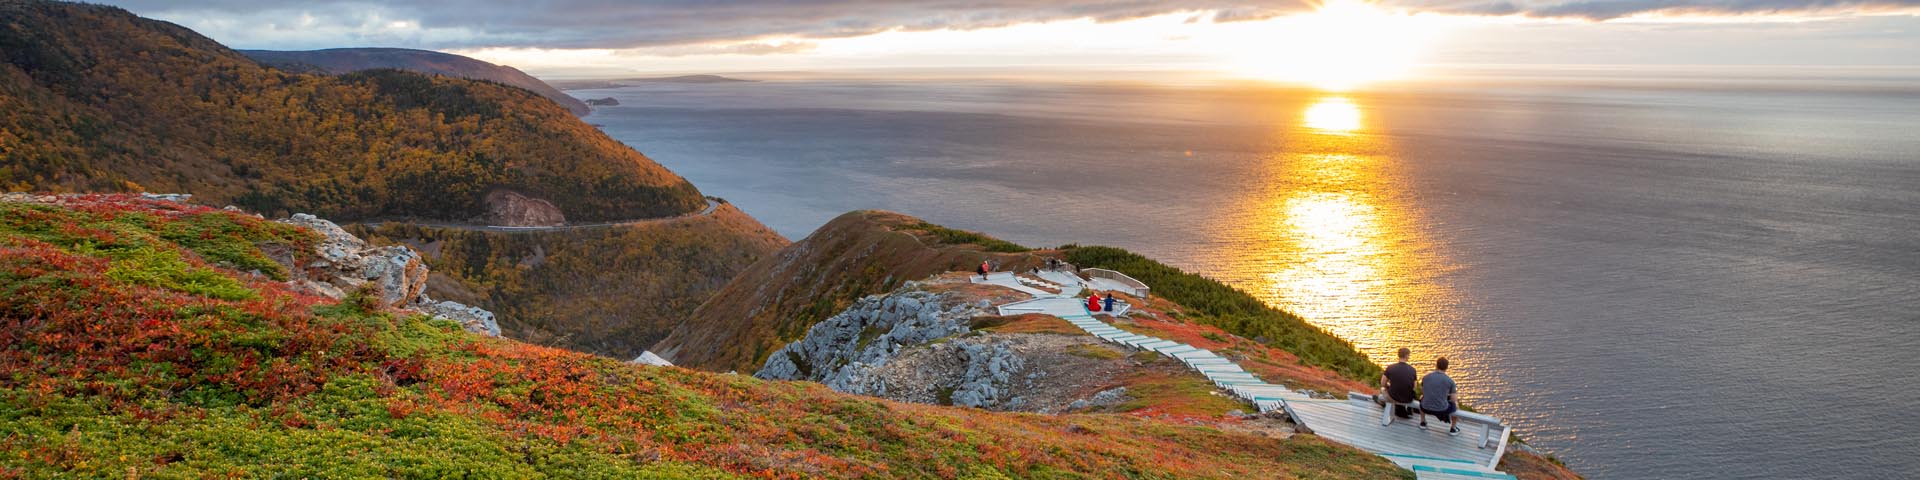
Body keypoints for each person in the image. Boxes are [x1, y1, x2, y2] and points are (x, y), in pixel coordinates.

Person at [1419, 356, 1461, 436]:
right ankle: (1453, 428)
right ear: (1446, 368)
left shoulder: (1426, 377)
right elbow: (1453, 399)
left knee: (1421, 398)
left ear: (1436, 365)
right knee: (1456, 404)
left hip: (1425, 407)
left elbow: (1423, 391)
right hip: (1442, 409)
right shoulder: (1450, 381)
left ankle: (1423, 422)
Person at [1377, 347, 1417, 419]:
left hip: (1393, 397)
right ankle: (1402, 409)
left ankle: (1384, 404)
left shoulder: (1390, 367)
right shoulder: (1413, 370)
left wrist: (1388, 386)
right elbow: (1414, 387)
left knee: (1382, 389)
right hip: (1407, 399)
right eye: (1409, 355)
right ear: (1406, 356)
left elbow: (1382, 383)